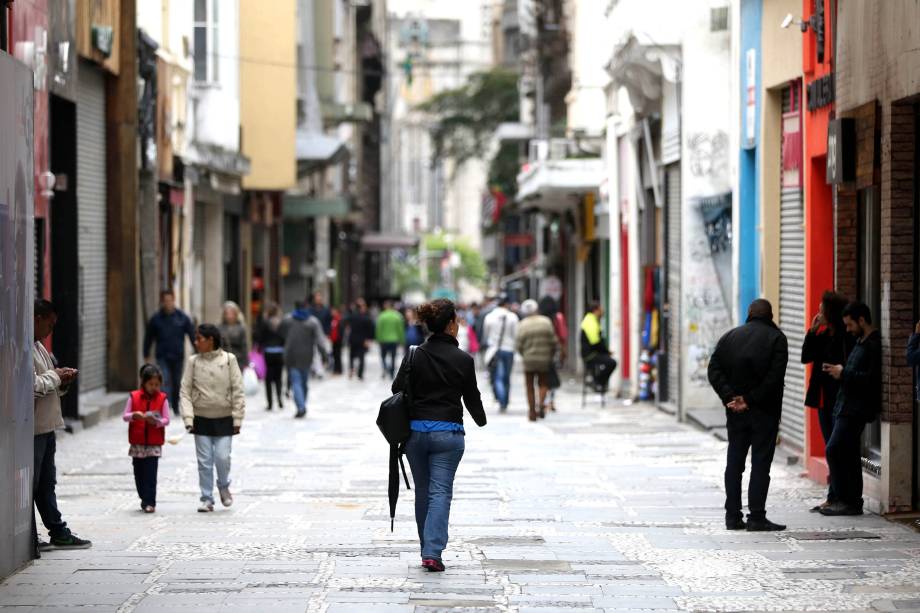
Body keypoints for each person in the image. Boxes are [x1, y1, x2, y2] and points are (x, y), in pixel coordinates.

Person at [392, 299, 487, 572]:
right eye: (456, 321)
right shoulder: (463, 360)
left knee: (424, 492)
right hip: (448, 434)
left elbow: (395, 387)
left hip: (416, 435)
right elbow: (472, 398)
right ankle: (432, 552)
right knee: (441, 492)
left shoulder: (414, 355)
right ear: (449, 325)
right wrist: (481, 420)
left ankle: (427, 550)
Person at [707, 299, 788, 532]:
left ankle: (732, 516)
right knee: (761, 464)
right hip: (766, 412)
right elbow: (774, 378)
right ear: (770, 315)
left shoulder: (730, 337)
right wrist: (749, 399)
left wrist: (731, 397)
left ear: (749, 314)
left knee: (734, 463)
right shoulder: (777, 339)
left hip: (736, 414)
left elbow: (713, 369)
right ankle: (756, 517)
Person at [32, 298, 92, 551]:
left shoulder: (39, 346)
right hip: (32, 429)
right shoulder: (22, 347)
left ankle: (57, 530)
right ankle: (31, 536)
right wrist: (55, 376)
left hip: (47, 427)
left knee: (46, 484)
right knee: (32, 485)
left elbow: (47, 383)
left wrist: (62, 380)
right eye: (50, 324)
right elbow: (31, 386)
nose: (51, 331)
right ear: (37, 319)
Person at [820, 301, 882, 517]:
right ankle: (852, 501)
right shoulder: (860, 341)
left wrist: (843, 373)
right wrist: (840, 371)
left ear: (862, 320)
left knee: (834, 449)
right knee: (849, 453)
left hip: (856, 409)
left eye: (850, 325)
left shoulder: (873, 344)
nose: (848, 329)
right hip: (845, 405)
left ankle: (845, 499)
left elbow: (871, 380)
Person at [180, 324, 246, 512]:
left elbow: (238, 390)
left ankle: (223, 485)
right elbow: (185, 391)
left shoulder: (228, 360)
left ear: (211, 340)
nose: (196, 342)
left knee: (222, 457)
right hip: (201, 417)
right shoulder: (193, 362)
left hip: (224, 417)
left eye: (199, 338)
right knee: (204, 461)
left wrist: (238, 418)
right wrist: (188, 418)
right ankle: (206, 497)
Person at [801, 290, 852, 512]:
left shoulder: (844, 337)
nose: (819, 312)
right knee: (831, 448)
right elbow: (806, 357)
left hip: (838, 400)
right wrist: (812, 331)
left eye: (822, 309)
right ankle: (833, 497)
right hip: (822, 399)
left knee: (837, 449)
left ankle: (842, 497)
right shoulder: (822, 336)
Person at [123, 364, 170, 513]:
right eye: (151, 384)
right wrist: (134, 416)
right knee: (139, 474)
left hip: (153, 444)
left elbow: (166, 419)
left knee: (151, 474)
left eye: (157, 384)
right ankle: (143, 497)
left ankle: (150, 502)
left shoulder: (163, 399)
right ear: (144, 383)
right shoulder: (134, 396)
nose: (154, 387)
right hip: (137, 444)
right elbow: (125, 416)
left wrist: (157, 422)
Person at [143, 290, 196, 416]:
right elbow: (148, 337)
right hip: (162, 356)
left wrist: (198, 351)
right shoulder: (156, 319)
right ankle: (166, 406)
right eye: (165, 301)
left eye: (170, 300)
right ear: (162, 302)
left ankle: (176, 405)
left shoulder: (182, 318)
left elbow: (192, 335)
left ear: (174, 300)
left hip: (178, 355)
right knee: (165, 380)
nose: (168, 303)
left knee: (177, 381)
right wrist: (146, 354)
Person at [280, 302, 328, 418]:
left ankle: (301, 406)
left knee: (296, 382)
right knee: (304, 382)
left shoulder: (288, 319)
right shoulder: (312, 321)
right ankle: (302, 405)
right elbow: (320, 340)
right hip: (307, 356)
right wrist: (324, 355)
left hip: (291, 355)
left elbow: (280, 334)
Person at [515, 299, 560, 421]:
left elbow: (518, 345)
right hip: (544, 359)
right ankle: (541, 405)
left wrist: (524, 354)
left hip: (529, 359)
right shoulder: (546, 322)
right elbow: (553, 341)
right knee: (543, 383)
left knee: (529, 386)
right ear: (537, 309)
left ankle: (531, 412)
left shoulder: (522, 324)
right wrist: (551, 355)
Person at [483, 296, 518, 411]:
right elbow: (515, 335)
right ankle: (505, 402)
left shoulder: (489, 317)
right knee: (506, 377)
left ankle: (501, 399)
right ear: (507, 304)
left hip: (494, 350)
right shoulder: (513, 317)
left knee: (497, 377)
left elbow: (486, 335)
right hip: (508, 350)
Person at [539, 296, 567, 412]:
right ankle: (551, 401)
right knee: (553, 376)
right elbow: (563, 335)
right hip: (555, 350)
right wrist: (563, 351)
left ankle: (542, 401)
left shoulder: (540, 318)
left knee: (542, 377)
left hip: (542, 350)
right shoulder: (558, 317)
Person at [255, 302, 286, 412]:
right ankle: (280, 399)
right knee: (278, 378)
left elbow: (260, 336)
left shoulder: (265, 323)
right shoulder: (281, 323)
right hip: (279, 352)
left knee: (268, 378)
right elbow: (284, 337)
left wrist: (258, 347)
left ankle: (270, 403)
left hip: (268, 352)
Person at [580, 302, 617, 391]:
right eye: (600, 310)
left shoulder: (592, 320)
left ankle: (597, 382)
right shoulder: (590, 321)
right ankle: (597, 382)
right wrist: (606, 352)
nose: (602, 312)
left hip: (592, 353)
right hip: (590, 355)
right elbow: (596, 342)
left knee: (609, 361)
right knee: (612, 363)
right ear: (595, 310)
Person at [346, 298, 375, 380]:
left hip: (353, 339)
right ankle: (360, 374)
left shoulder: (352, 316)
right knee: (361, 357)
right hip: (363, 340)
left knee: (351, 355)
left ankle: (351, 369)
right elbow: (371, 329)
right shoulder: (367, 318)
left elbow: (346, 323)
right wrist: (369, 339)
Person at [376, 300, 406, 379]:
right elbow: (400, 329)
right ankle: (392, 373)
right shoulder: (398, 316)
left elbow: (378, 329)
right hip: (394, 340)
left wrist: (378, 339)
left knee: (383, 356)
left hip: (383, 340)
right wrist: (402, 340)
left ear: (385, 306)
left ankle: (385, 368)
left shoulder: (381, 316)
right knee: (393, 357)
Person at [219, 301, 249, 372]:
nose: (229, 316)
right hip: (223, 360)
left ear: (236, 314)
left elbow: (244, 346)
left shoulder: (241, 328)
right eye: (227, 313)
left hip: (238, 360)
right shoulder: (220, 327)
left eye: (231, 313)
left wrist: (245, 362)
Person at [330, 306, 345, 375]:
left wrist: (340, 339)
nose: (332, 312)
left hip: (338, 341)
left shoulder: (339, 319)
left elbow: (341, 331)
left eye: (333, 311)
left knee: (337, 355)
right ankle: (336, 369)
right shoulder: (333, 319)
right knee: (335, 355)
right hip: (334, 340)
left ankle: (338, 370)